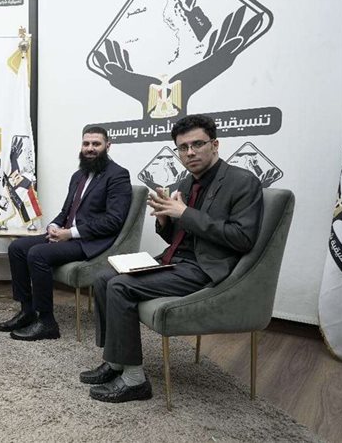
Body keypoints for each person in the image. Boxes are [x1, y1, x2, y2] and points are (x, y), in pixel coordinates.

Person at [82, 114, 263, 403]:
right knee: (104, 276)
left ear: (215, 145)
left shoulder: (242, 182)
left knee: (120, 285)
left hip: (206, 268)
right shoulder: (186, 182)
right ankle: (115, 362)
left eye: (197, 144)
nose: (190, 152)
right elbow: (177, 237)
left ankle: (135, 380)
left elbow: (242, 238)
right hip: (176, 260)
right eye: (183, 147)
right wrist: (165, 220)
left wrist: (185, 213)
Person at [0, 126, 132, 341]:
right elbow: (66, 212)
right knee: (17, 248)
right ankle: (27, 310)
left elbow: (113, 221)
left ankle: (47, 322)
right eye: (86, 144)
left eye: (96, 144)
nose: (90, 148)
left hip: (90, 241)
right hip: (67, 235)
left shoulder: (118, 175)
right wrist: (53, 225)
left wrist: (70, 233)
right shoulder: (78, 175)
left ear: (108, 146)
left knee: (37, 254)